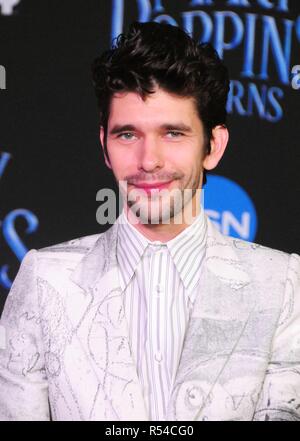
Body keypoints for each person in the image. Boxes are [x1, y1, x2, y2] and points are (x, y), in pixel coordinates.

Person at [0, 21, 299, 422]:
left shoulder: (282, 284)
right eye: (127, 135)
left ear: (213, 146)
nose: (148, 160)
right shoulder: (44, 280)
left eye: (173, 133)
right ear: (104, 146)